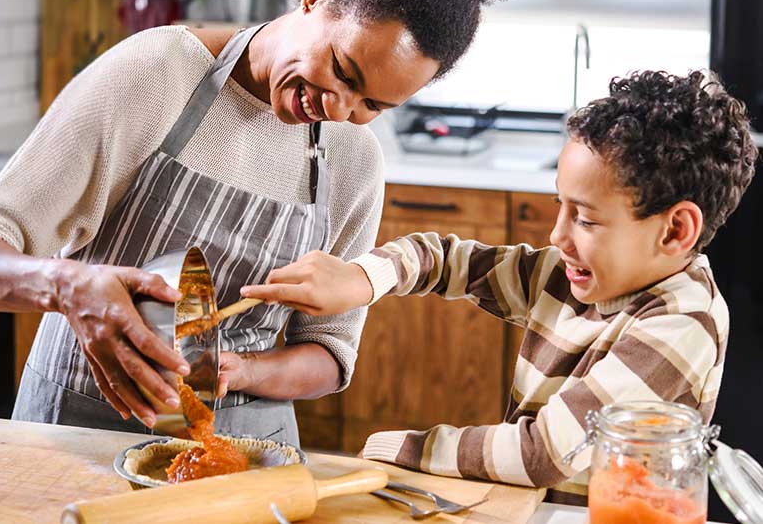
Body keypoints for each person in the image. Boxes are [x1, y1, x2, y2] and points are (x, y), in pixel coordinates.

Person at [0, 0, 518, 447]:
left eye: (372, 105)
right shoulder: (156, 74)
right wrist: (66, 286)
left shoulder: (354, 161)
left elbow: (330, 356)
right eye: (342, 70)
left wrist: (242, 372)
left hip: (247, 452)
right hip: (83, 432)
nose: (340, 109)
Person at [242, 71, 758, 500]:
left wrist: (402, 450)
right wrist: (362, 278)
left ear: (675, 230)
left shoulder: (683, 320)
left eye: (587, 220)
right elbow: (443, 259)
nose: (558, 236)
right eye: (562, 206)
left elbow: (542, 454)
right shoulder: (569, 276)